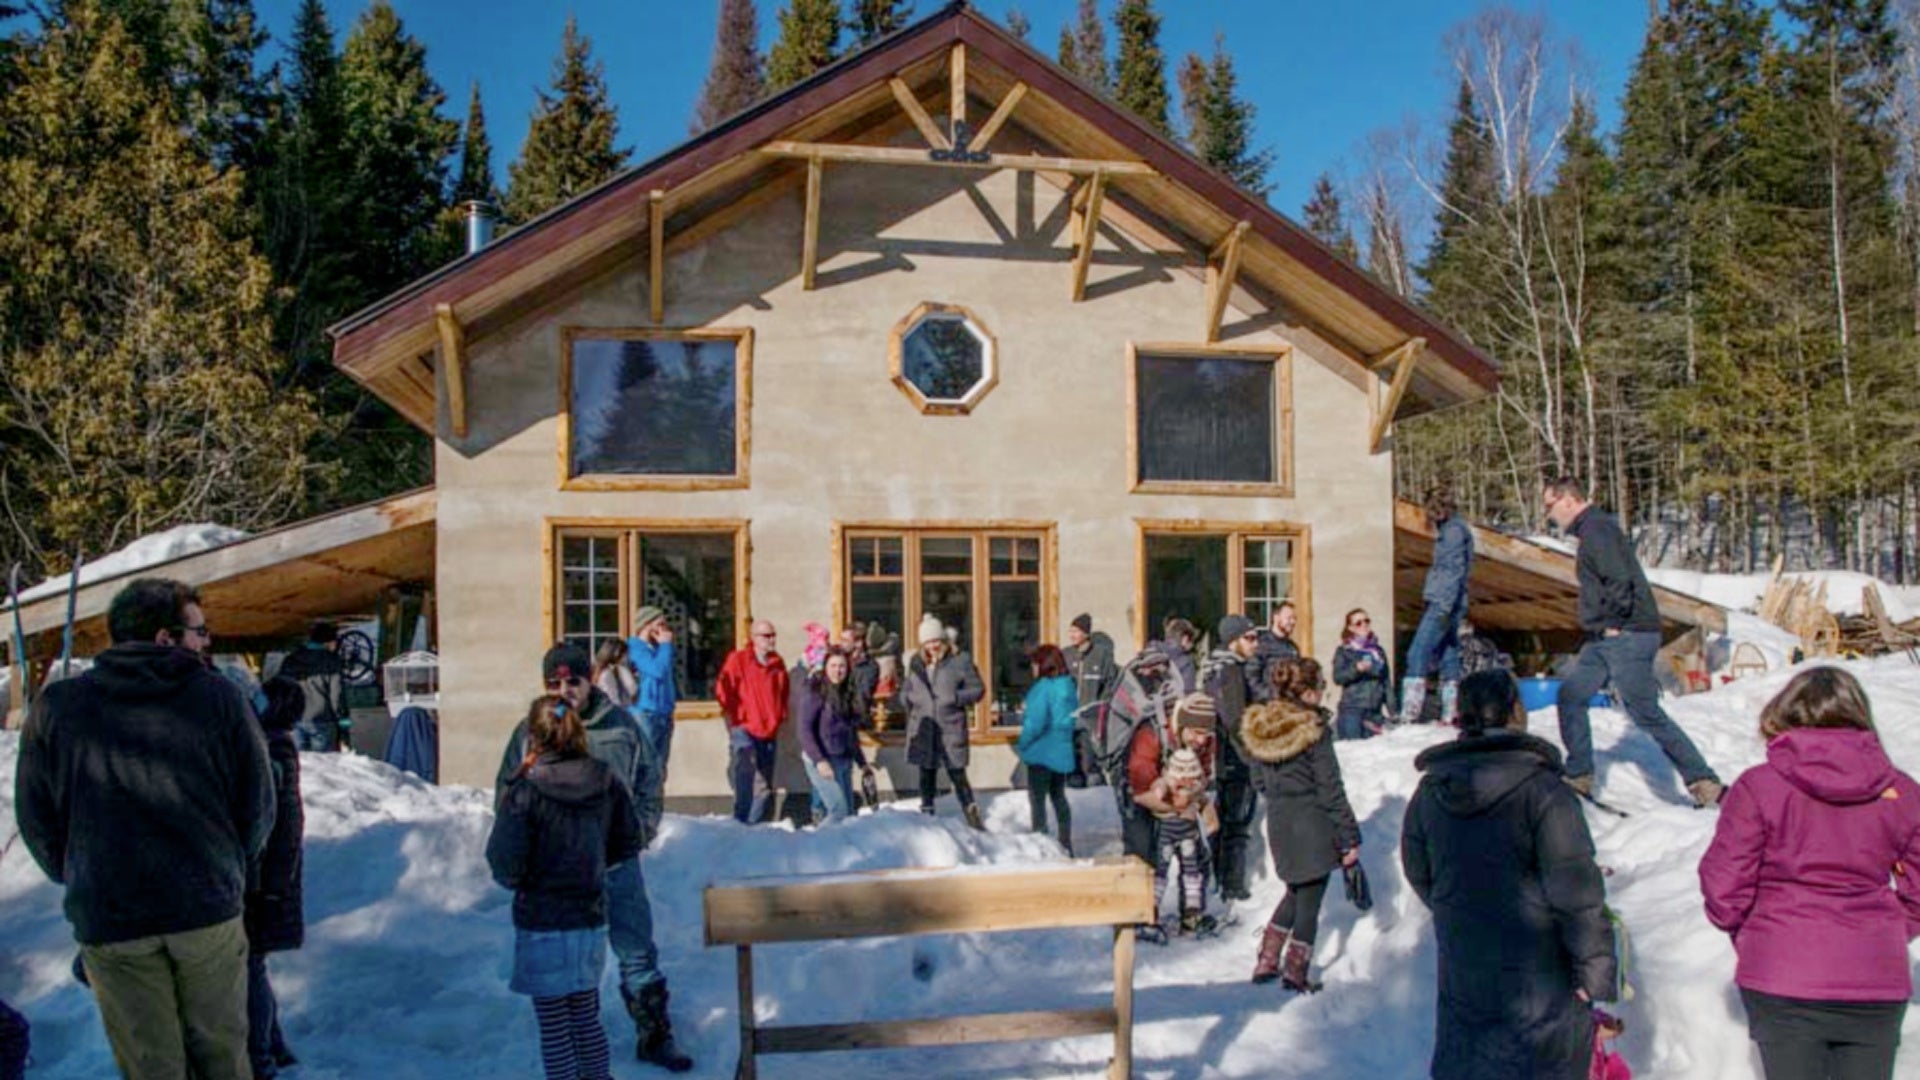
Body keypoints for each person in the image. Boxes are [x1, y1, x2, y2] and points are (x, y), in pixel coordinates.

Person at [15, 578, 274, 1080]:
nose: (206, 642)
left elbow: (35, 815)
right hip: (205, 907)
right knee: (222, 1055)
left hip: (111, 913)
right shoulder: (218, 697)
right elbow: (257, 803)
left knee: (150, 1064)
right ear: (164, 637)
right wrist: (227, 866)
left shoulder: (58, 706)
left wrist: (79, 873)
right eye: (199, 631)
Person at [1699, 667, 1920, 1080]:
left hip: (1783, 969)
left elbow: (1724, 881)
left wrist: (1750, 931)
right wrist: (1889, 928)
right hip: (1875, 974)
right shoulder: (1902, 792)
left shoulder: (1758, 787)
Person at [1401, 669, 1617, 1079]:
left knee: (1473, 1059)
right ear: (1516, 711)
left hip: (1467, 956)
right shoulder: (1543, 789)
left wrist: (1460, 907)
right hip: (1540, 963)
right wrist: (1596, 969)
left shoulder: (1433, 790)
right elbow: (1575, 889)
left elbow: (1419, 870)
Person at [496, 644, 690, 1072]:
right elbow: (508, 795)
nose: (565, 691)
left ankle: (654, 1032)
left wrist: (640, 830)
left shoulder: (620, 726)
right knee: (568, 979)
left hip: (615, 862)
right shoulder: (531, 732)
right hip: (558, 876)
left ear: (590, 680)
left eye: (573, 682)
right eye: (555, 684)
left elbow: (648, 779)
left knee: (635, 948)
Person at [488, 694, 644, 1080]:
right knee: (586, 1016)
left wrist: (517, 879)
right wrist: (595, 864)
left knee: (555, 1025)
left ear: (532, 735)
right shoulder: (604, 778)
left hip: (542, 916)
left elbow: (503, 857)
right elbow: (628, 838)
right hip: (589, 913)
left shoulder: (526, 789)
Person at [1543, 475, 1724, 807]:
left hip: (1627, 634)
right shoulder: (1591, 530)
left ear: (1568, 500)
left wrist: (1614, 621)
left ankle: (1704, 782)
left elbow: (1620, 579)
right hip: (1603, 638)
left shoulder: (1597, 529)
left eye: (1550, 505)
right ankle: (1579, 774)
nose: (1549, 514)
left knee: (1644, 711)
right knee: (1572, 696)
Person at [1241, 658, 1360, 992]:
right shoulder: (1313, 729)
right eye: (1321, 687)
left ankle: (1267, 958)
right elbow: (1330, 787)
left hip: (1279, 819)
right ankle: (1296, 970)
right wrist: (1350, 836)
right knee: (1310, 896)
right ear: (1308, 693)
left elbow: (1258, 781)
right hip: (1312, 819)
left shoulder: (1262, 728)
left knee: (1296, 889)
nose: (1323, 694)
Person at [246, 677, 308, 1079]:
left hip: (262, 881)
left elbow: (279, 825)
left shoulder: (271, 749)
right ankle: (272, 1042)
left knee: (248, 967)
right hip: (268, 880)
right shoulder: (276, 745)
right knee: (252, 966)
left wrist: (269, 887)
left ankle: (263, 1052)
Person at [1133, 694, 1221, 939]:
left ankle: (1192, 915)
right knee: (1150, 861)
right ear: (1181, 726)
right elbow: (1139, 791)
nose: (1201, 740)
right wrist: (1176, 802)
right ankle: (1144, 917)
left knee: (1196, 863)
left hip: (1183, 814)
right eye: (1195, 732)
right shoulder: (1150, 736)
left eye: (1207, 734)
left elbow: (1202, 777)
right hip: (1143, 798)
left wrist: (1201, 802)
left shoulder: (1204, 741)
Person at [1200, 614, 1262, 902]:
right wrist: (1251, 755)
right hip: (1235, 758)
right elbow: (1235, 719)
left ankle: (1218, 879)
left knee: (1224, 820)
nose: (1255, 643)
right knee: (1236, 823)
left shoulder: (1215, 668)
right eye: (1249, 638)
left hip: (1223, 757)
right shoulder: (1231, 672)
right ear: (1233, 640)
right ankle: (1232, 885)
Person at [903, 614, 986, 827]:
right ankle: (927, 816)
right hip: (925, 725)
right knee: (926, 774)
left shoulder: (960, 660)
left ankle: (972, 815)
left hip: (950, 726)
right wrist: (908, 699)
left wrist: (956, 698)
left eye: (936, 640)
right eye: (928, 642)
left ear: (943, 639)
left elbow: (978, 689)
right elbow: (906, 689)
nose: (932, 646)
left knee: (957, 773)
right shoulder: (915, 662)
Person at [1399, 489, 1473, 725]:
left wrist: (1443, 607)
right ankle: (1451, 711)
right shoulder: (1456, 529)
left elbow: (1452, 571)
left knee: (1417, 652)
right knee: (1447, 653)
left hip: (1443, 601)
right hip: (1452, 601)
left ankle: (1410, 713)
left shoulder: (1452, 533)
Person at [715, 621, 788, 826]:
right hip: (745, 726)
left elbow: (783, 692)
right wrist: (736, 716)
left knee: (764, 782)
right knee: (745, 772)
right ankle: (740, 822)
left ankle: (754, 826)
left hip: (769, 729)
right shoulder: (739, 660)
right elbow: (723, 688)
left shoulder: (777, 663)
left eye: (773, 634)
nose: (771, 639)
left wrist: (779, 715)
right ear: (754, 637)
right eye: (766, 635)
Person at [1015, 644, 1078, 854]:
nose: (1032, 668)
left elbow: (1036, 722)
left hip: (1041, 752)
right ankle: (1065, 842)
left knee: (1037, 800)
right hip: (1061, 751)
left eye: (1034, 663)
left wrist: (1023, 742)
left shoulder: (1043, 687)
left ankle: (1041, 843)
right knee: (1059, 797)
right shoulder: (1068, 686)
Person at [797, 647, 867, 825]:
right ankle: (820, 846)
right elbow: (804, 730)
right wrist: (819, 760)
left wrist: (862, 763)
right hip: (820, 759)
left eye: (842, 666)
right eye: (833, 665)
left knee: (849, 815)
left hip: (842, 758)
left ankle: (845, 850)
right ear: (825, 667)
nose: (838, 670)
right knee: (838, 810)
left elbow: (850, 731)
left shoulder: (847, 692)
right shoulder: (815, 691)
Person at [278, 620, 349, 752]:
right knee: (324, 768)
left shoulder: (291, 659)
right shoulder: (331, 660)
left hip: (295, 720)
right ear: (328, 642)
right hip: (323, 720)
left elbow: (281, 690)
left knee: (302, 767)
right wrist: (343, 720)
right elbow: (336, 695)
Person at [1064, 613, 1118, 784]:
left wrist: (1101, 707)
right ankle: (1074, 790)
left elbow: (1110, 684)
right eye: (1070, 631)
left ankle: (1096, 797)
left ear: (1086, 634)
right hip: (1069, 718)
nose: (1072, 635)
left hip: (1091, 720)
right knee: (1071, 763)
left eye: (1076, 631)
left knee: (1090, 762)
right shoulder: (1065, 655)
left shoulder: (1101, 656)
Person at [625, 607, 677, 771]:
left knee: (660, 764)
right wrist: (665, 646)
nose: (664, 629)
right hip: (645, 711)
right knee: (646, 762)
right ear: (647, 625)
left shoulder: (658, 650)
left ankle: (656, 795)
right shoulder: (634, 648)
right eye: (660, 624)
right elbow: (657, 671)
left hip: (663, 712)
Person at [1332, 608, 1393, 740]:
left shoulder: (1378, 651)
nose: (1364, 625)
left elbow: (1386, 682)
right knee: (1354, 751)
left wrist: (1393, 711)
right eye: (1358, 623)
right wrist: (1357, 669)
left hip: (1375, 711)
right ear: (1351, 628)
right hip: (1353, 710)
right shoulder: (1344, 651)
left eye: (1366, 621)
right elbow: (1338, 677)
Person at [1251, 601, 1301, 702]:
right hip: (1268, 706)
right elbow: (1252, 679)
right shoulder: (1261, 646)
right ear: (1276, 617)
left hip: (1290, 705)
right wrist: (1272, 695)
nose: (1292, 622)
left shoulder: (1293, 648)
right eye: (1289, 618)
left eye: (1295, 618)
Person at [1146, 617, 1199, 693]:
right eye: (1192, 641)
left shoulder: (1151, 652)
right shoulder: (1186, 664)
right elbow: (1188, 693)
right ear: (1185, 639)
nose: (1192, 645)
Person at [594, 638, 637, 709]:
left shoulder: (601, 670)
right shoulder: (608, 673)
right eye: (625, 654)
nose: (626, 657)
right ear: (617, 654)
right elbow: (614, 698)